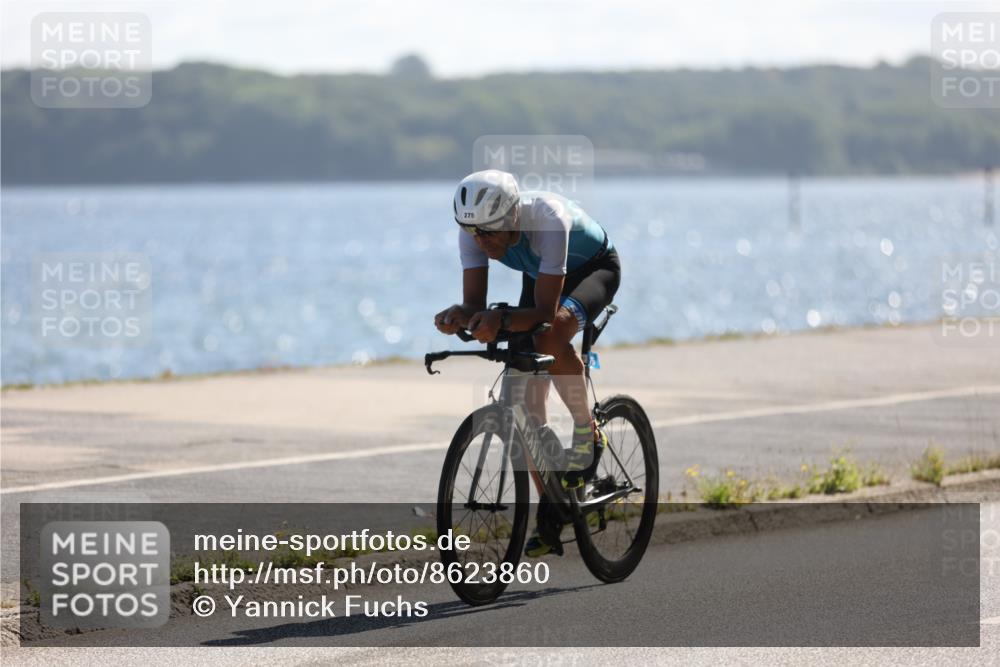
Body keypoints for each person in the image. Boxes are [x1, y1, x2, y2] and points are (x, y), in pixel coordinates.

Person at [433, 169, 621, 556]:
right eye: (473, 234)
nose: (480, 242)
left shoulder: (547, 220)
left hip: (592, 269)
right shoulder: (474, 230)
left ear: (512, 218)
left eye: (489, 233)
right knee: (522, 405)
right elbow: (474, 303)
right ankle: (551, 510)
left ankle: (589, 431)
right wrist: (459, 315)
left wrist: (499, 319)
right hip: (542, 273)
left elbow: (544, 313)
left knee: (548, 336)